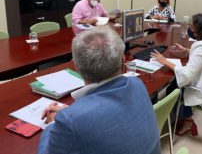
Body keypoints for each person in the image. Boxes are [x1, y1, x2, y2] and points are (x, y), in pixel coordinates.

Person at [37, 26, 160, 154]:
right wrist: (70, 114)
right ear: (123, 61)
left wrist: (53, 123)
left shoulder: (71, 121)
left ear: (76, 68)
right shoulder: (137, 84)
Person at [151, 13, 202, 136]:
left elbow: (187, 75)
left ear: (200, 29)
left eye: (192, 26)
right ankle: (182, 117)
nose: (190, 28)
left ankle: (187, 120)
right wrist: (187, 50)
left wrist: (165, 61)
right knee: (175, 83)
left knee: (173, 89)